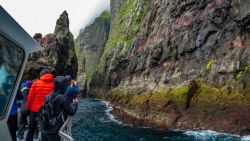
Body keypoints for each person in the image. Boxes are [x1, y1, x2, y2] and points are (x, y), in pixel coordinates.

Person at [38, 76, 78, 141]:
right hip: (54, 129)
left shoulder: (47, 96)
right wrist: (75, 103)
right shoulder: (62, 98)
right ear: (63, 86)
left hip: (44, 126)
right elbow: (71, 112)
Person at [26, 69, 54, 141]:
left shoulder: (36, 83)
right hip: (47, 112)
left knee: (31, 130)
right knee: (44, 131)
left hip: (34, 110)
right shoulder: (53, 84)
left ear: (41, 75)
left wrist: (28, 109)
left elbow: (30, 98)